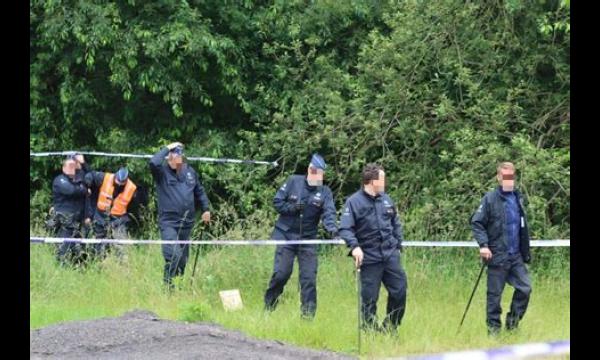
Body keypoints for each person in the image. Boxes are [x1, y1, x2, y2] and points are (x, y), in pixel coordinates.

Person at [264, 153, 338, 319]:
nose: (319, 178)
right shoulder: (293, 182)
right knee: (281, 274)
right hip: (287, 236)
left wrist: (332, 229)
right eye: (316, 174)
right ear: (310, 170)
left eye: (321, 175)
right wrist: (293, 208)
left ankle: (307, 317)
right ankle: (269, 307)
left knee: (308, 278)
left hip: (308, 238)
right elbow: (277, 202)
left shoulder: (325, 192)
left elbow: (329, 213)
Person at [339, 163, 407, 333]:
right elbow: (345, 228)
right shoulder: (353, 202)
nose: (385, 182)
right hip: (369, 256)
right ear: (371, 181)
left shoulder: (386, 199)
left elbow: (395, 223)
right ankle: (369, 332)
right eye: (382, 179)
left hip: (390, 254)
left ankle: (390, 329)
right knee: (369, 299)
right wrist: (354, 247)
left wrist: (398, 244)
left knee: (400, 291)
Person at [471, 162, 532, 335]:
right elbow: (477, 223)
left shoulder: (517, 198)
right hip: (497, 255)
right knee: (494, 297)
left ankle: (512, 324)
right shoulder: (490, 199)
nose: (508, 180)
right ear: (499, 177)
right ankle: (494, 332)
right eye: (505, 176)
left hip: (516, 256)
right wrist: (483, 245)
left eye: (511, 176)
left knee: (525, 289)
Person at [149, 142, 211, 289]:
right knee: (174, 256)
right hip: (169, 224)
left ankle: (177, 288)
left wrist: (206, 209)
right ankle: (168, 288)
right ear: (169, 157)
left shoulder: (189, 172)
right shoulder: (161, 172)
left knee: (182, 261)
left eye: (180, 155)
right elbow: (153, 162)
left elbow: (199, 191)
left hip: (187, 224)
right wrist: (167, 147)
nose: (178, 158)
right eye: (175, 154)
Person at [84, 166, 137, 259]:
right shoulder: (105, 177)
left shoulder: (132, 188)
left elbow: (135, 207)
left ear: (126, 180)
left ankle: (122, 267)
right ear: (115, 176)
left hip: (118, 219)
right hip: (100, 216)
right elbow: (90, 175)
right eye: (117, 181)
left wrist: (126, 218)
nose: (119, 184)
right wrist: (87, 185)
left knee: (121, 246)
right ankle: (100, 262)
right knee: (98, 244)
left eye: (122, 183)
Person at [51, 155, 92, 265]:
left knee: (79, 247)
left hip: (78, 220)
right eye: (69, 166)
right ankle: (60, 267)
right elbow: (71, 191)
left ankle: (77, 268)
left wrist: (83, 164)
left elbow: (90, 177)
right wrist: (83, 189)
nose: (72, 168)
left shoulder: (78, 178)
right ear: (63, 168)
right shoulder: (60, 180)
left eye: (74, 166)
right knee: (64, 245)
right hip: (65, 220)